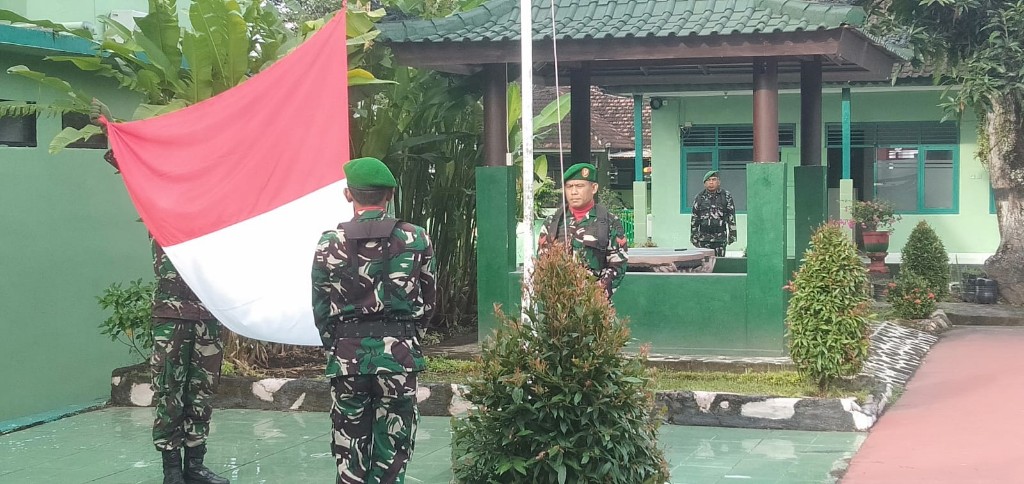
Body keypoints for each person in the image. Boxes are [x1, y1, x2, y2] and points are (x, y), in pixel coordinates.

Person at [90, 99, 230, 484]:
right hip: (172, 316)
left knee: (202, 393)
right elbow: (136, 170)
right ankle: (171, 469)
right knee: (169, 392)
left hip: (208, 315)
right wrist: (115, 135)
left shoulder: (218, 215)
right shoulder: (161, 208)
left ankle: (195, 465)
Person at [311, 157, 436, 484]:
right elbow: (428, 299)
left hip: (347, 360)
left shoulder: (329, 243)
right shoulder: (417, 238)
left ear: (348, 194)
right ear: (390, 195)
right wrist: (408, 338)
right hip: (399, 359)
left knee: (350, 451)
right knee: (393, 453)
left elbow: (320, 307)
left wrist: (335, 347)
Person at [538, 162, 628, 300]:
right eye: (569, 187)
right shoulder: (552, 222)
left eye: (579, 186)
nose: (574, 192)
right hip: (558, 305)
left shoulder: (609, 222)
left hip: (594, 303)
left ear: (594, 188)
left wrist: (597, 295)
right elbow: (543, 263)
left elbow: (618, 264)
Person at [690, 170, 737, 257]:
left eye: (714, 179)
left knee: (719, 264)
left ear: (719, 182)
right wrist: (693, 237)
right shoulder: (699, 197)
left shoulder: (726, 196)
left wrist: (732, 235)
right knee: (705, 265)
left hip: (720, 238)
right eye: (708, 180)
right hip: (704, 238)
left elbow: (731, 216)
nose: (711, 182)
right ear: (704, 183)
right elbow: (695, 218)